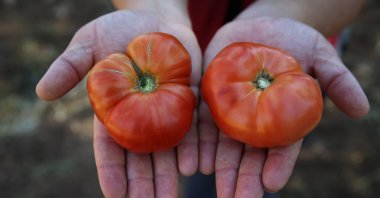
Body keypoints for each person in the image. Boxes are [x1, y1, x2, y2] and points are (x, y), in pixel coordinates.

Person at [36, 0, 370, 197]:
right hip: (189, 35)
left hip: (299, 30)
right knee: (216, 174)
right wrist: (154, 6)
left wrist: (291, 11)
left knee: (240, 174)